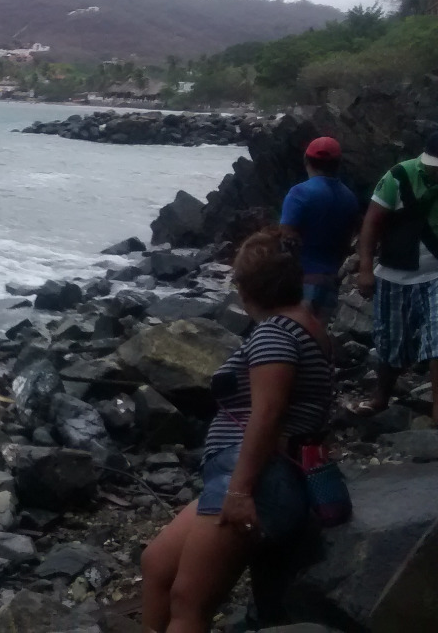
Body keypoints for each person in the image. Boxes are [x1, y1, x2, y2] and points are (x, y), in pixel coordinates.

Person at [141, 228, 333, 633]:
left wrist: (241, 492)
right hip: (246, 475)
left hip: (258, 479)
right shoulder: (304, 323)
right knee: (157, 563)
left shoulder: (274, 334)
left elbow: (268, 413)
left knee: (188, 601)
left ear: (245, 289)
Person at [355, 133, 438, 417]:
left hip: (436, 274)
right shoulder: (397, 177)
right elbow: (371, 224)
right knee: (391, 342)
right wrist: (365, 268)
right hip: (395, 274)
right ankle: (381, 396)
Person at [278, 136, 361, 323]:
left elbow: (286, 236)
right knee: (316, 335)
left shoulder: (299, 193)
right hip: (331, 279)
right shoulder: (350, 198)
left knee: (292, 333)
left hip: (301, 280)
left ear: (306, 160)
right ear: (338, 164)